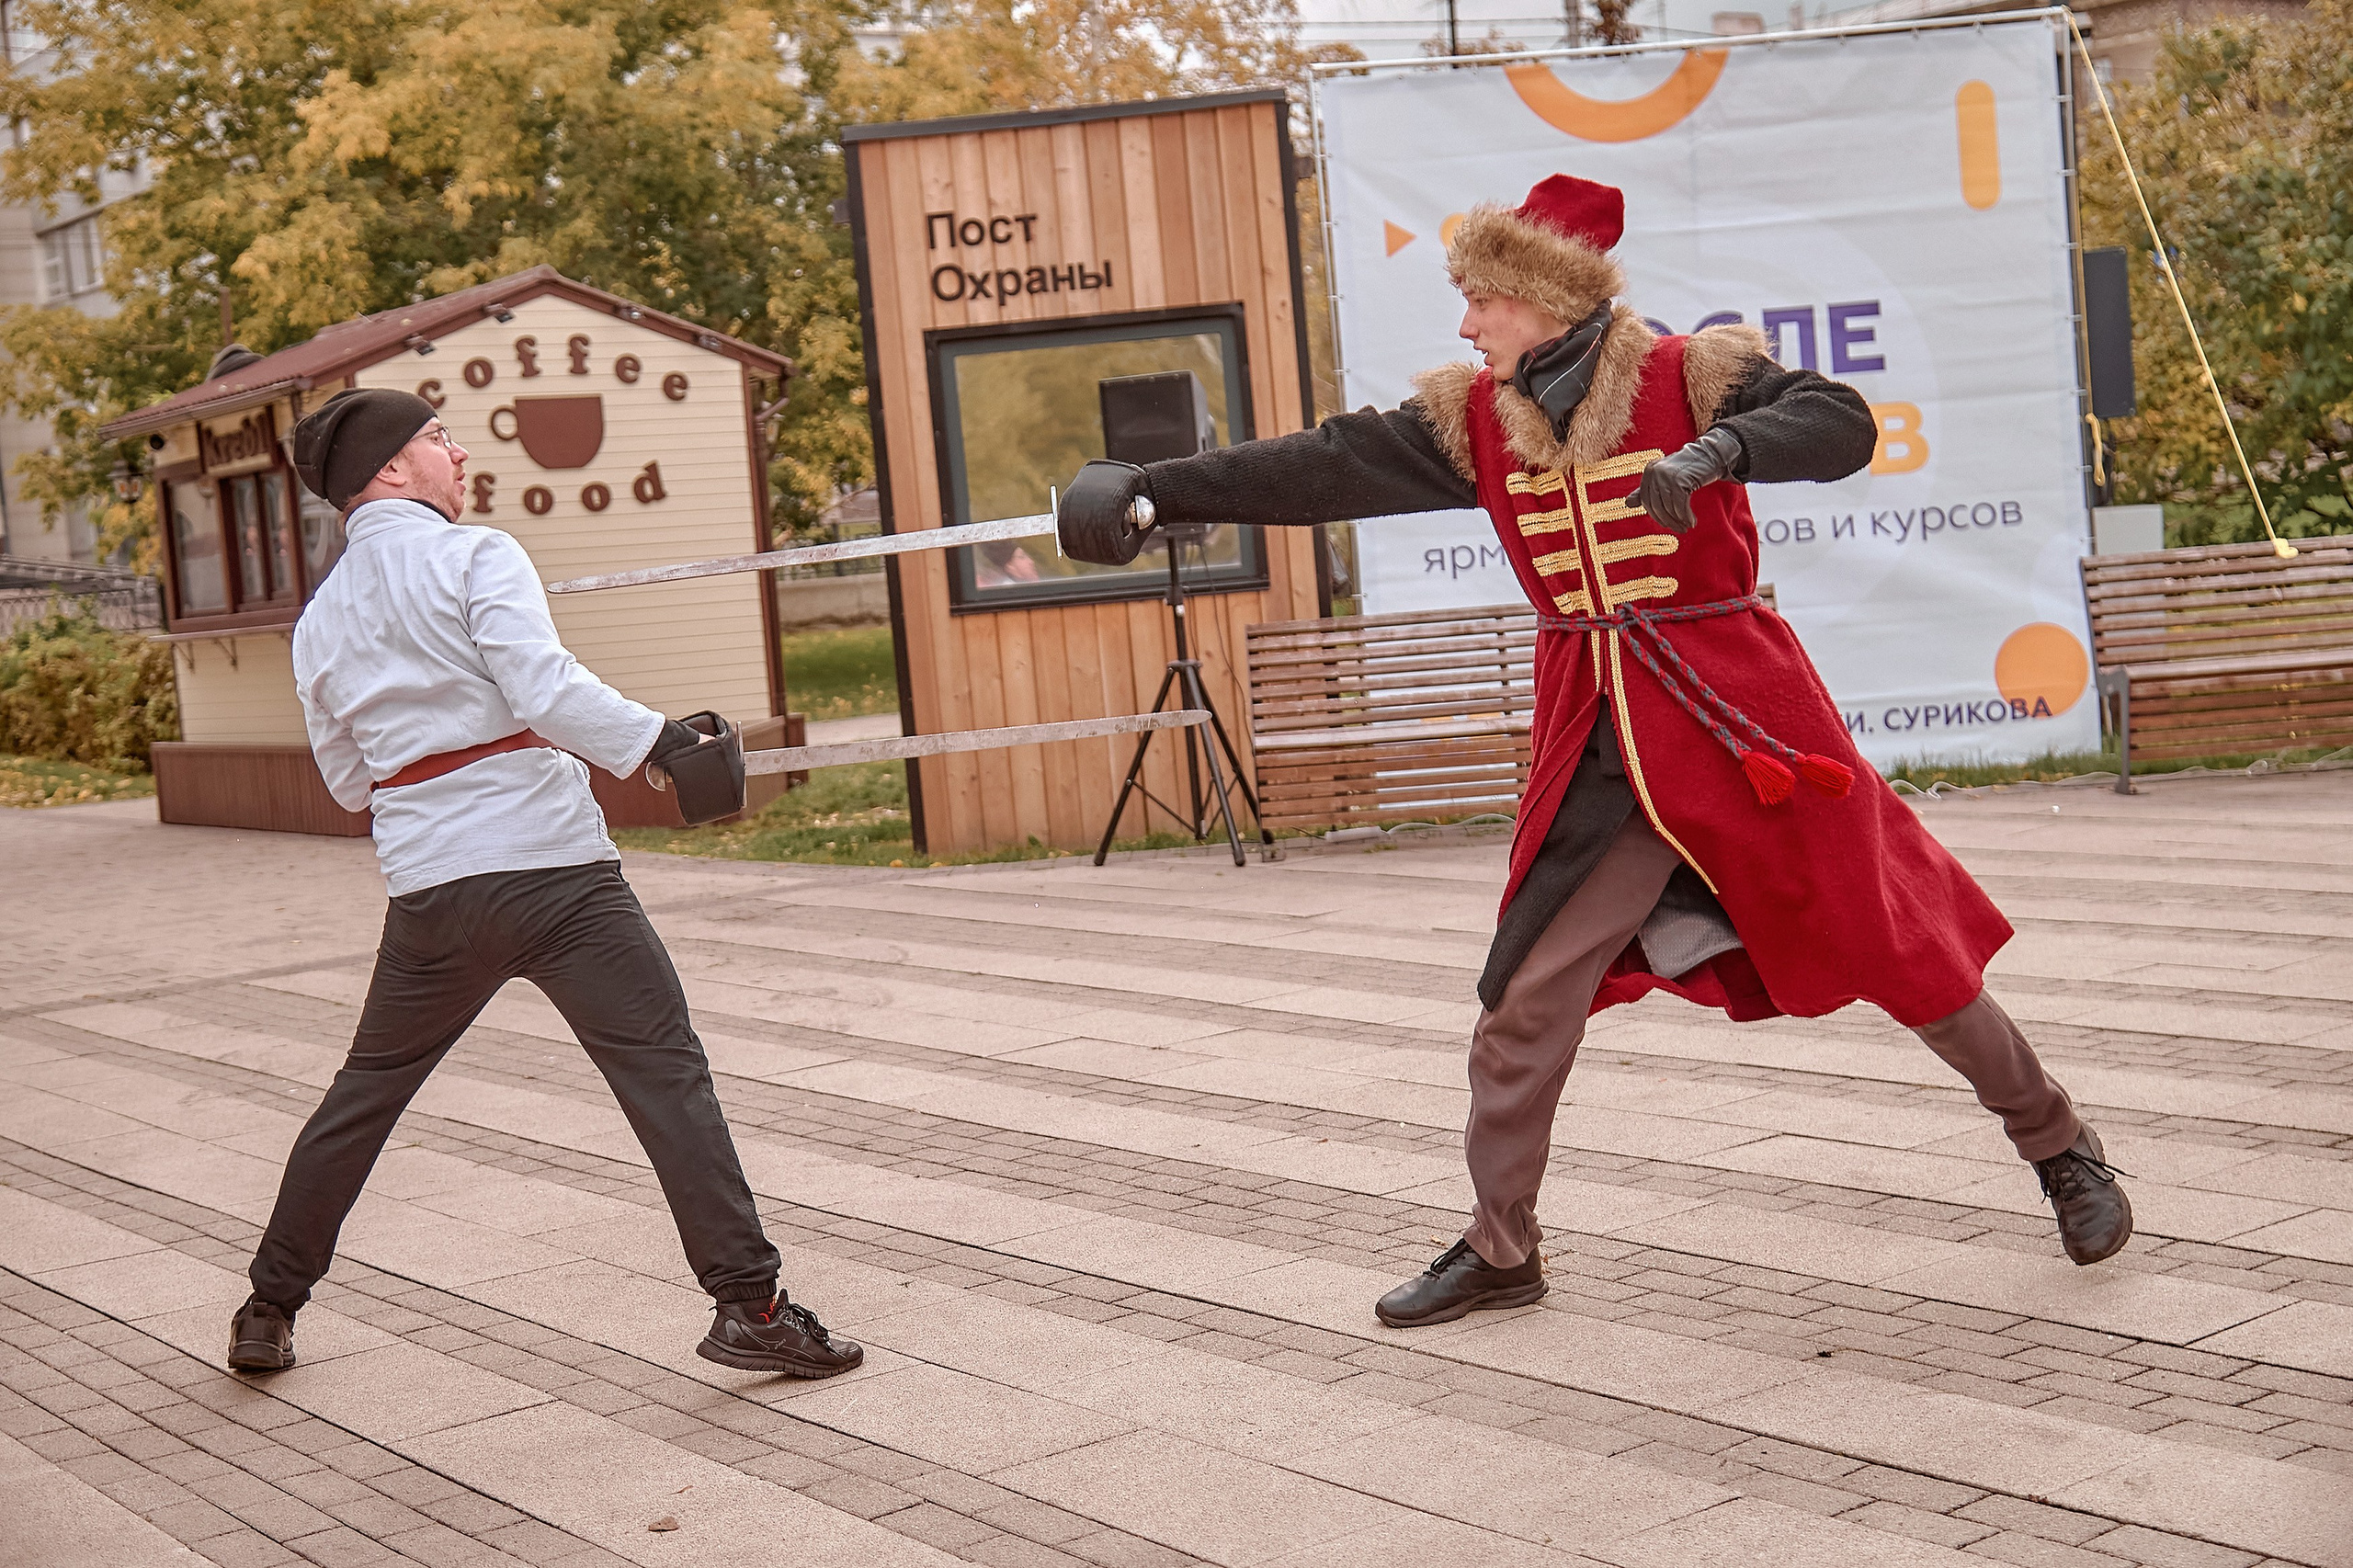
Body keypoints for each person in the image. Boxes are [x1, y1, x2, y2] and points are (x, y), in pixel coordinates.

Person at [1056, 175, 2132, 1329]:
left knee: (1902, 949)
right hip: (1598, 744)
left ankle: (2058, 1142)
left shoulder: (1691, 374)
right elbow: (1325, 463)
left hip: (1745, 722)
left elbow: (1841, 426)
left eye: (1479, 300)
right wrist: (1155, 492)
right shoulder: (1473, 418)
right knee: (1523, 998)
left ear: (1542, 296)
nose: (1465, 325)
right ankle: (1500, 1244)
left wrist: (1719, 451)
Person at [225, 387, 859, 1379]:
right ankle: (752, 1306)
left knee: (364, 1094)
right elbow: (544, 687)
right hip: (556, 874)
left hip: (433, 890)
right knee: (664, 1076)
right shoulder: (477, 554)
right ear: (391, 468)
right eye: (437, 436)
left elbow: (349, 778)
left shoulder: (318, 619)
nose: (459, 448)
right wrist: (660, 741)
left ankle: (268, 1305)